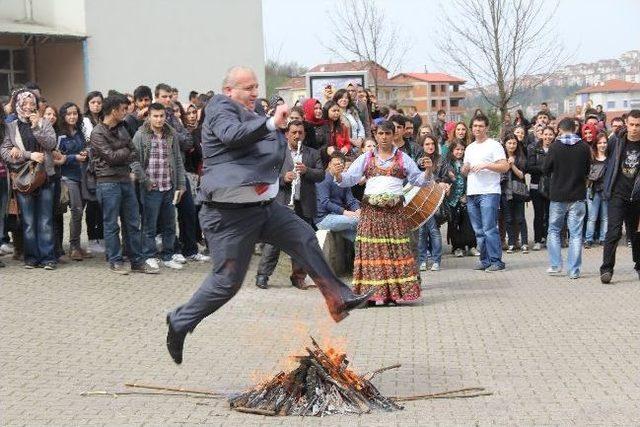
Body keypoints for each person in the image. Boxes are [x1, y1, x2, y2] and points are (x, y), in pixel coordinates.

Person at [166, 66, 373, 365]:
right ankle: (179, 321)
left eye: (255, 87)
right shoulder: (219, 108)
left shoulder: (256, 118)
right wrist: (269, 125)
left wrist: (274, 128)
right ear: (229, 90)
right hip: (227, 217)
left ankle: (338, 299)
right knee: (227, 283)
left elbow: (272, 151)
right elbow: (232, 135)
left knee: (304, 236)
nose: (253, 93)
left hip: (264, 209)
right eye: (246, 87)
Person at [330, 120, 434, 305]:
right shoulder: (366, 157)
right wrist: (337, 175)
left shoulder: (402, 158)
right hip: (371, 213)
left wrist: (428, 171)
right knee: (371, 253)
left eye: (387, 133)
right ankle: (369, 296)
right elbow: (350, 179)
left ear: (394, 135)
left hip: (394, 214)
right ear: (376, 135)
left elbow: (419, 180)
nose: (384, 137)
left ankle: (391, 295)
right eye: (380, 134)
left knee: (393, 253)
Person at [90, 93, 158, 275]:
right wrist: (125, 150)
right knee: (111, 224)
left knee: (133, 222)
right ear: (114, 111)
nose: (126, 112)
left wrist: (123, 151)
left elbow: (134, 152)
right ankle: (115, 261)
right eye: (123, 109)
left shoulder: (123, 128)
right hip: (107, 182)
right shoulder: (97, 132)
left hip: (125, 180)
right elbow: (110, 158)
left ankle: (137, 261)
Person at [255, 120, 324, 289]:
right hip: (282, 202)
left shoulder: (312, 153)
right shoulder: (277, 153)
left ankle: (298, 277)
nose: (297, 136)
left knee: (301, 242)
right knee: (273, 242)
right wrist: (283, 178)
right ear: (287, 134)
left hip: (304, 204)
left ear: (304, 134)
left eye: (300, 132)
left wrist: (307, 171)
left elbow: (321, 174)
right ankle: (263, 275)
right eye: (293, 132)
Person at [0, 90, 57, 269]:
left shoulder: (44, 122)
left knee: (46, 220)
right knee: (29, 221)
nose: (28, 107)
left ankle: (48, 258)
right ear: (17, 105)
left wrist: (36, 127)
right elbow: (5, 152)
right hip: (24, 180)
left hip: (44, 177)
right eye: (23, 103)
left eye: (31, 103)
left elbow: (50, 144)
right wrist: (28, 154)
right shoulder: (11, 126)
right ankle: (31, 257)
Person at [131, 102, 187, 271]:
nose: (159, 119)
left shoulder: (171, 134)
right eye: (155, 116)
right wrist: (145, 180)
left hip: (168, 187)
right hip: (151, 189)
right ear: (149, 117)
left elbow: (177, 159)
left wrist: (181, 184)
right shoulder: (141, 135)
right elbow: (134, 160)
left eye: (162, 116)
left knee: (170, 224)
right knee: (150, 225)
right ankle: (149, 255)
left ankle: (168, 255)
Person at [542, 117, 591, 279]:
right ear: (574, 129)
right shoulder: (584, 147)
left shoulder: (555, 147)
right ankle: (574, 270)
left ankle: (556, 266)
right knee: (576, 233)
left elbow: (545, 168)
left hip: (558, 195)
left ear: (560, 130)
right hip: (578, 195)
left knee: (554, 230)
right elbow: (587, 170)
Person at [462, 115, 510, 272]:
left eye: (481, 126)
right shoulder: (469, 148)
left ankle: (496, 261)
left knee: (489, 228)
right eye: (475, 126)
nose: (477, 128)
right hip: (472, 192)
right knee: (479, 231)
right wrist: (465, 169)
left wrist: (486, 165)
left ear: (487, 127)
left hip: (489, 191)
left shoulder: (494, 145)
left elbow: (504, 167)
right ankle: (485, 260)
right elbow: (464, 170)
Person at [600, 110, 640, 284]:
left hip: (637, 196)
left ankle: (639, 265)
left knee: (636, 234)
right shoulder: (616, 141)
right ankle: (607, 269)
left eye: (638, 125)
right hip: (617, 194)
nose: (634, 128)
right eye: (631, 124)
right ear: (626, 123)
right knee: (613, 232)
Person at [56, 102, 93, 261]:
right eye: (69, 114)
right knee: (76, 210)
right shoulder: (60, 134)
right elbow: (57, 158)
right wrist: (74, 157)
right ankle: (73, 247)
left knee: (79, 212)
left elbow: (84, 148)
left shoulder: (79, 132)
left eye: (75, 113)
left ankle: (76, 245)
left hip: (81, 176)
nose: (72, 116)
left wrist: (85, 152)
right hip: (67, 177)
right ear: (63, 116)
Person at [416, 134, 450, 271]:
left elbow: (446, 176)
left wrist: (443, 183)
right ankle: (422, 260)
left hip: (435, 199)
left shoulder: (441, 160)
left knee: (434, 230)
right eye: (427, 144)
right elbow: (416, 178)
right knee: (421, 231)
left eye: (432, 144)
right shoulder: (420, 161)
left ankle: (436, 260)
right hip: (421, 199)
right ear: (422, 146)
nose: (430, 146)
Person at [315, 151, 360, 242]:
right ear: (329, 165)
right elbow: (325, 202)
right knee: (356, 220)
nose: (338, 166)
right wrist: (345, 212)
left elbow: (350, 200)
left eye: (340, 164)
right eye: (335, 164)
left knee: (359, 237)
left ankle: (359, 256)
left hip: (338, 217)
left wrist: (358, 210)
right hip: (324, 218)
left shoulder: (343, 180)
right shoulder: (323, 178)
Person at [82, 91, 105, 254]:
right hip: (89, 167)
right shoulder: (83, 121)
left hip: (104, 166)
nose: (96, 105)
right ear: (88, 104)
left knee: (103, 203)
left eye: (99, 102)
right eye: (93, 102)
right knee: (92, 204)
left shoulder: (105, 119)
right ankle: (92, 238)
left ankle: (102, 237)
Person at [445, 140, 477, 256]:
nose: (460, 152)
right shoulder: (447, 164)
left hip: (466, 197)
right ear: (452, 150)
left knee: (468, 223)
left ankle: (472, 246)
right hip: (452, 199)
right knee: (454, 223)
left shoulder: (467, 162)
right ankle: (457, 247)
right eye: (457, 149)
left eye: (462, 150)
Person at [501, 133, 529, 254]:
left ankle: (524, 242)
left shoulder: (520, 157)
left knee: (520, 218)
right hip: (505, 191)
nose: (512, 145)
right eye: (509, 143)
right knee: (508, 219)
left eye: (514, 143)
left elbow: (522, 175)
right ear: (505, 144)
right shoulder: (500, 157)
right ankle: (511, 242)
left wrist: (512, 165)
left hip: (518, 190)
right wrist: (506, 163)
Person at [527, 126, 554, 251]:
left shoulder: (556, 149)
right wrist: (545, 168)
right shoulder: (534, 148)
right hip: (536, 185)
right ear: (541, 135)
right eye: (546, 134)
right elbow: (529, 167)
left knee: (550, 214)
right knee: (538, 214)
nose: (548, 137)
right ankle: (537, 240)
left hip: (552, 186)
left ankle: (548, 238)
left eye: (550, 134)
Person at [584, 132, 608, 248]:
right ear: (596, 144)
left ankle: (603, 238)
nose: (602, 145)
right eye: (600, 143)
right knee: (592, 217)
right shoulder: (591, 157)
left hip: (606, 190)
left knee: (605, 217)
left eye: (604, 142)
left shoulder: (611, 158)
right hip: (593, 190)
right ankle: (589, 239)